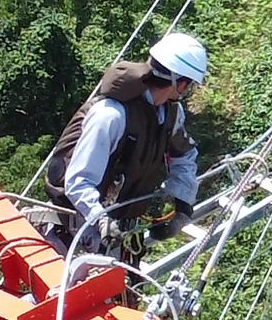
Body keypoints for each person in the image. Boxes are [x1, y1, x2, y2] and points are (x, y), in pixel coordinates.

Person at [41, 32, 207, 255]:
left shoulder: (169, 114)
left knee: (124, 288)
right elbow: (78, 181)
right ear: (181, 84)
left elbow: (184, 155)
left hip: (119, 232)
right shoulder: (111, 115)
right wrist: (100, 219)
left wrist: (183, 203)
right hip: (76, 229)